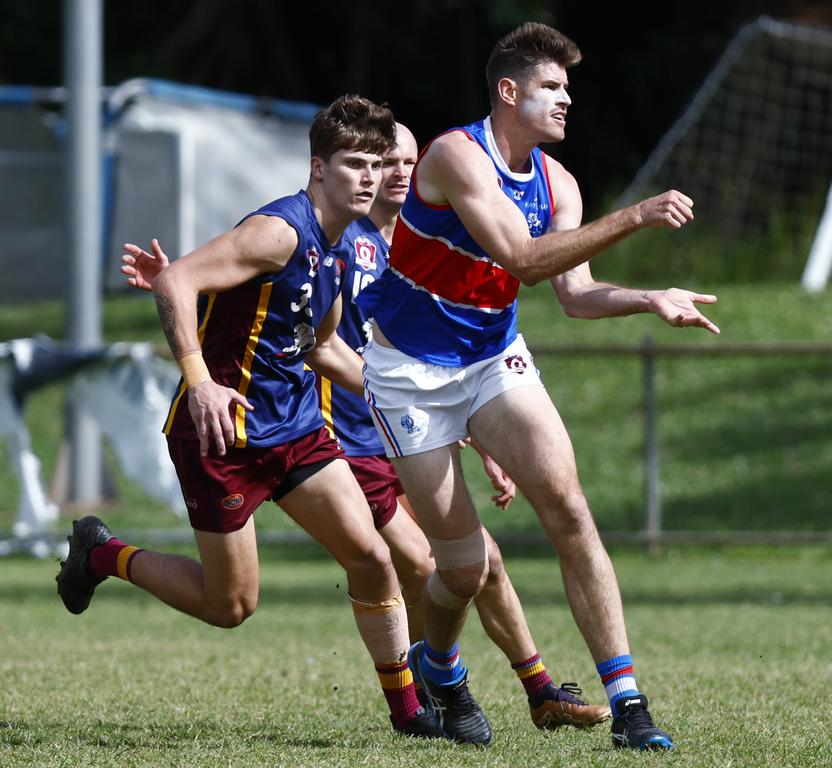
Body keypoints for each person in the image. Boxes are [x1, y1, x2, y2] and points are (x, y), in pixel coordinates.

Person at [123, 122, 612, 739]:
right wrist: (195, 332)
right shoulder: (316, 232)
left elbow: (364, 350)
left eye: (399, 161)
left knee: (457, 561)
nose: (393, 172)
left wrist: (473, 431)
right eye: (378, 162)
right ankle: (452, 684)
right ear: (324, 168)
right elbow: (258, 302)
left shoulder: (405, 248)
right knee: (245, 602)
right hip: (322, 437)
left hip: (355, 434)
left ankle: (488, 696)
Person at [356, 23, 719, 751]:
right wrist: (637, 216)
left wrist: (647, 297)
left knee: (568, 506)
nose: (566, 101)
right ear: (508, 91)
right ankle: (442, 668)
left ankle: (629, 703)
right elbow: (522, 259)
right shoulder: (457, 155)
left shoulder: (561, 184)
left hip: (493, 359)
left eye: (567, 89)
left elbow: (574, 295)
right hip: (408, 374)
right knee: (461, 569)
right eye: (552, 87)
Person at [56, 95, 442, 739]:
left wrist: (403, 394)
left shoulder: (343, 247)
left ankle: (409, 712)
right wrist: (199, 381)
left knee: (373, 560)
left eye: (378, 163)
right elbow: (176, 282)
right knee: (230, 605)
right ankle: (103, 555)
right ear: (318, 168)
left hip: (294, 429)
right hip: (221, 434)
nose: (371, 176)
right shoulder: (281, 231)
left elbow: (321, 346)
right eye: (355, 163)